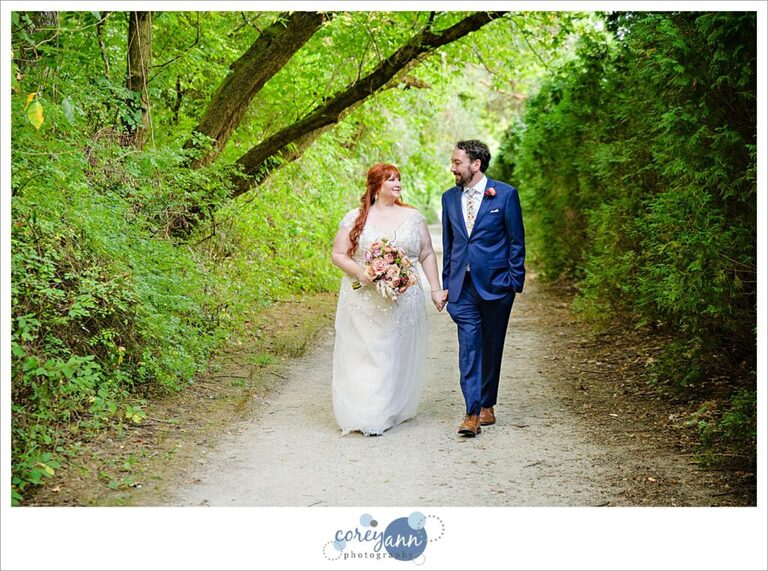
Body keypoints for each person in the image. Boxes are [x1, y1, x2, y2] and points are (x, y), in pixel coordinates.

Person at [331, 163, 445, 436]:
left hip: (403, 298)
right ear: (376, 186)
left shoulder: (413, 217)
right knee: (367, 353)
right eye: (390, 179)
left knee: (394, 353)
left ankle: (388, 408)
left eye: (398, 179)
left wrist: (435, 289)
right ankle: (368, 413)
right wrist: (362, 272)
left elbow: (427, 253)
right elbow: (338, 254)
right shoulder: (355, 217)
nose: (397, 184)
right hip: (364, 299)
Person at [440, 140, 525, 437]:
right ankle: (472, 413)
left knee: (491, 345)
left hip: (497, 286)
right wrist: (446, 285)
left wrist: (513, 282)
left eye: (457, 162)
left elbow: (516, 241)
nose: (452, 168)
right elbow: (450, 244)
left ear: (475, 164)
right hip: (462, 288)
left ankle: (488, 402)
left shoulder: (505, 195)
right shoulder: (449, 198)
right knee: (469, 346)